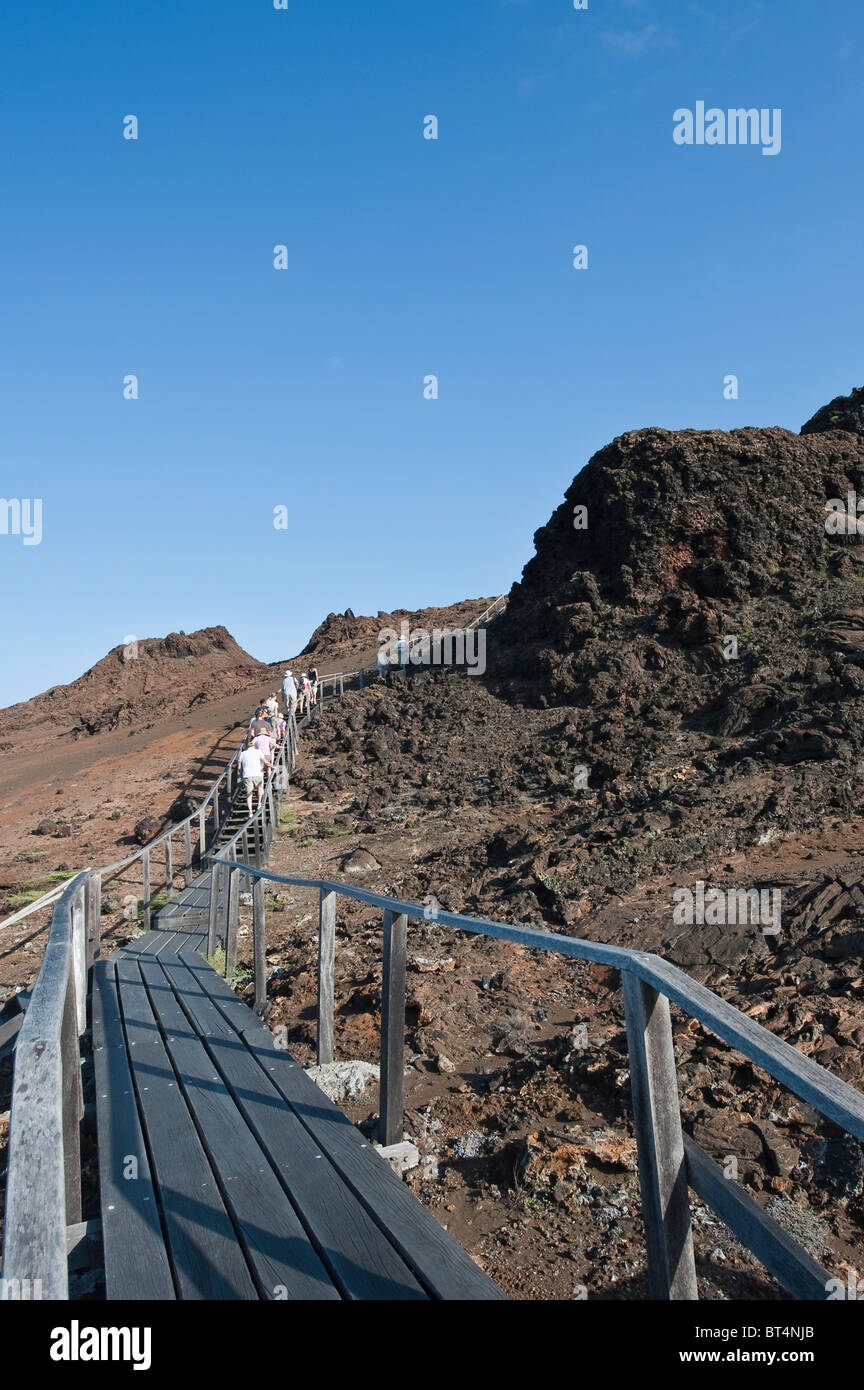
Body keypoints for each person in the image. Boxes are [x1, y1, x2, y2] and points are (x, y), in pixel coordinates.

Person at [239, 740, 273, 815]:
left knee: (249, 794)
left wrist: (241, 775)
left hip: (247, 776)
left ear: (247, 747)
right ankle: (259, 803)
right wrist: (273, 766)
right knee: (260, 788)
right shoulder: (258, 752)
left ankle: (250, 812)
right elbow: (266, 762)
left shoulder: (242, 753)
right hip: (257, 774)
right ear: (254, 746)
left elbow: (239, 767)